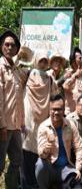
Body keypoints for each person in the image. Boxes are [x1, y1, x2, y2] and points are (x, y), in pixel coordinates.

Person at [22, 52, 57, 188]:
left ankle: (37, 183)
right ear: (36, 61)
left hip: (43, 119)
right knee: (26, 151)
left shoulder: (49, 78)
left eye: (45, 61)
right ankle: (26, 184)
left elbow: (55, 95)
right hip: (28, 116)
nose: (42, 64)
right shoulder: (28, 74)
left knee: (40, 150)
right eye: (40, 61)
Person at [35, 94, 82, 189]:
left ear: (64, 110)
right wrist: (46, 148)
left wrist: (78, 168)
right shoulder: (43, 127)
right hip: (50, 168)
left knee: (78, 186)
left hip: (66, 168)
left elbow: (79, 147)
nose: (56, 112)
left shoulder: (70, 125)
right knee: (40, 164)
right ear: (49, 110)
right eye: (53, 109)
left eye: (59, 109)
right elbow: (41, 154)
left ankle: (62, 185)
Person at [0, 30, 28, 188]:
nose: (10, 47)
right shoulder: (0, 67)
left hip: (16, 126)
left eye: (13, 45)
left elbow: (20, 98)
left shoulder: (17, 70)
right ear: (2, 47)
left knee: (17, 160)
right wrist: (2, 125)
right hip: (4, 126)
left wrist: (22, 122)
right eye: (6, 44)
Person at [63, 47, 82, 115]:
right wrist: (74, 76)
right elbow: (65, 87)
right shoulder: (67, 73)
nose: (81, 60)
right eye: (79, 58)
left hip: (81, 112)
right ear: (73, 60)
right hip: (69, 112)